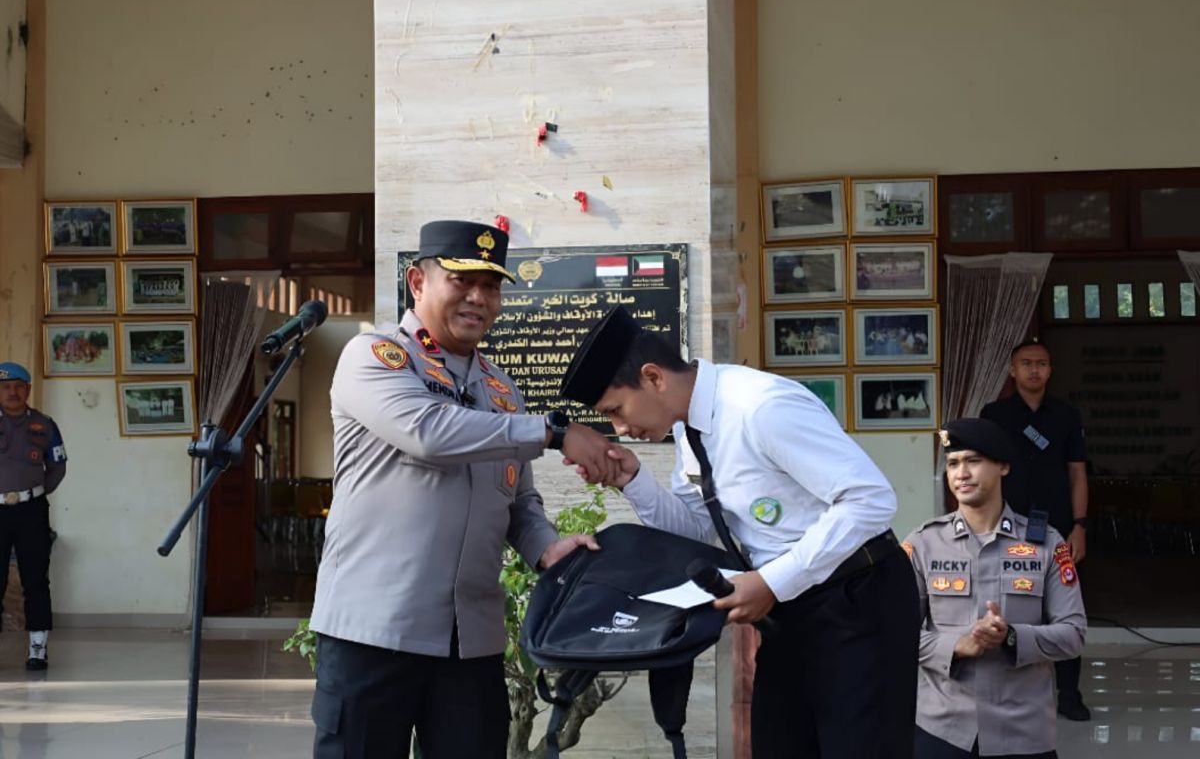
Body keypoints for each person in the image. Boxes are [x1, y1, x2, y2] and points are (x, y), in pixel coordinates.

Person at [308, 221, 617, 759]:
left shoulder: (502, 390)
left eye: (491, 286)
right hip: (374, 629)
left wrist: (547, 547)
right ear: (417, 281)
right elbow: (429, 433)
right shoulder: (375, 356)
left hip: (469, 640)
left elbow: (518, 498)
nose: (479, 297)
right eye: (462, 281)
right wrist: (553, 432)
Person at [559, 306, 919, 758]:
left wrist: (771, 581)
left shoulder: (760, 407)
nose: (621, 429)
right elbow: (699, 531)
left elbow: (870, 499)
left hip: (858, 599)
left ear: (653, 377)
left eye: (616, 411)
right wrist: (633, 481)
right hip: (789, 609)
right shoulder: (689, 429)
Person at [904, 418, 1086, 758]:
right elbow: (894, 635)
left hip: (1023, 732)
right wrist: (956, 645)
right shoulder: (924, 543)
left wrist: (1012, 637)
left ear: (1003, 466)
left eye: (973, 461)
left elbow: (1073, 634)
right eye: (953, 464)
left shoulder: (1047, 543)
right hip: (942, 730)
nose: (961, 474)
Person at [980, 339, 1091, 721]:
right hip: (1006, 525)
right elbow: (983, 470)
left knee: (1064, 607)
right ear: (1012, 370)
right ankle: (1007, 688)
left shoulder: (1066, 415)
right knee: (1008, 601)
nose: (1034, 370)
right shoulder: (995, 414)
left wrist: (1080, 526)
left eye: (1041, 363)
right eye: (1026, 363)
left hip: (1057, 526)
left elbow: (1077, 473)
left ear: (1050, 370)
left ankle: (1069, 693)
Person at [0, 362, 67, 671]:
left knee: (36, 579)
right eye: (5, 387)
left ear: (27, 389)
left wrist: (34, 493)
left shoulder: (44, 424)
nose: (12, 392)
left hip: (32, 511)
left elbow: (57, 467)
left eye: (18, 386)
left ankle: (37, 647)